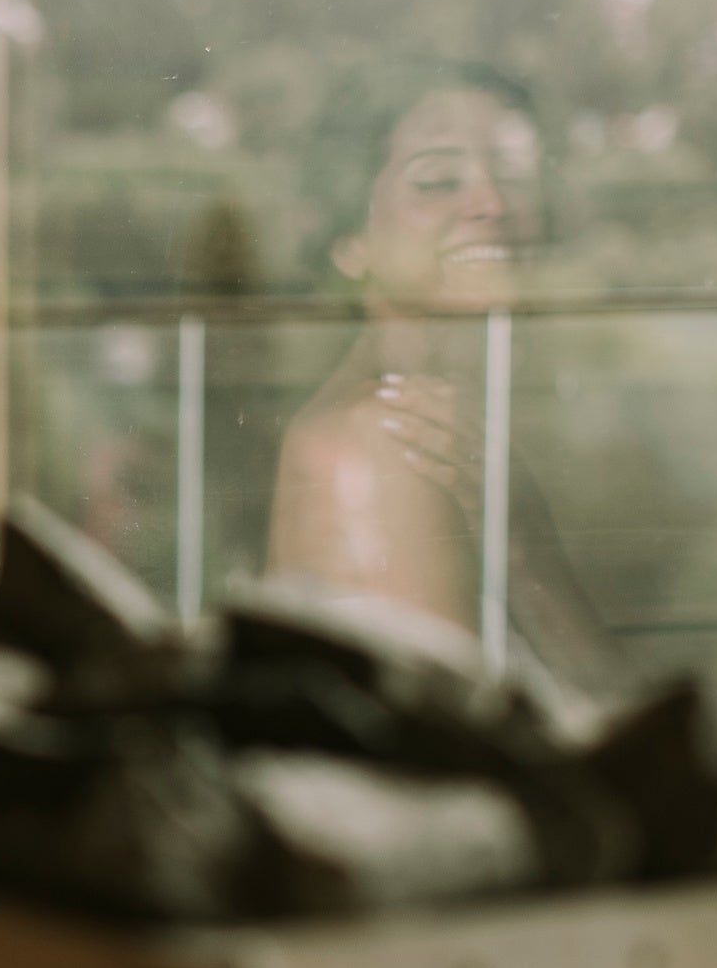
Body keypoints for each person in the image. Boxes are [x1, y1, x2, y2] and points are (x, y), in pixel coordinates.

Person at [267, 61, 632, 700]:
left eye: (517, 176)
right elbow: (444, 775)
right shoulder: (390, 446)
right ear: (349, 238)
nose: (492, 205)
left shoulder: (460, 432)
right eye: (437, 181)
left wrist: (520, 539)